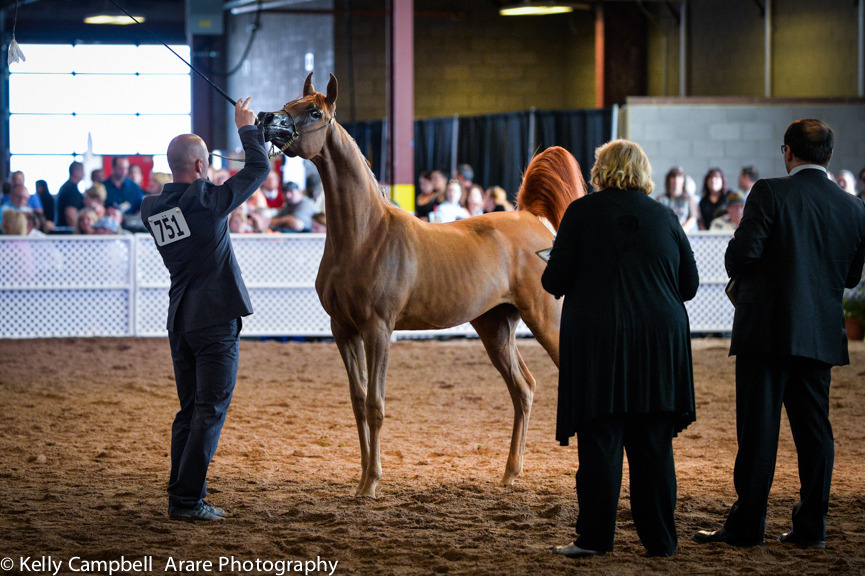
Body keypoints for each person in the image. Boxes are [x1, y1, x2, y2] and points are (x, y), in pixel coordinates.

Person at [693, 119, 865, 549]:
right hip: (820, 334)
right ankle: (812, 526)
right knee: (815, 433)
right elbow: (851, 276)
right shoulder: (855, 207)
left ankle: (748, 524)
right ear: (829, 156)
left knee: (759, 432)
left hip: (766, 332)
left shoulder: (769, 192)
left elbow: (740, 257)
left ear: (788, 152)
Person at [543, 139, 699, 559]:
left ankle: (595, 539)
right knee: (653, 446)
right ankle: (661, 542)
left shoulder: (581, 213)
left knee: (601, 441)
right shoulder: (666, 216)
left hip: (600, 342)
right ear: (643, 172)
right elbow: (689, 286)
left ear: (601, 171)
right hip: (658, 344)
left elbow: (553, 282)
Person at [140, 97, 269, 522]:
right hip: (213, 320)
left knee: (190, 411)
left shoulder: (152, 208)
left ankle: (182, 495)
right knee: (209, 411)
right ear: (199, 167)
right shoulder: (205, 202)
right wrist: (246, 128)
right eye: (207, 165)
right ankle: (187, 500)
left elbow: (193, 195)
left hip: (181, 319)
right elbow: (258, 170)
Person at [656, 166, 698, 232]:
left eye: (679, 177)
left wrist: (680, 233)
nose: (676, 180)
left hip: (685, 235)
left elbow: (693, 219)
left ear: (683, 180)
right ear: (669, 180)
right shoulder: (661, 199)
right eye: (673, 177)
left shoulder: (689, 199)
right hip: (666, 234)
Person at [57, 161, 85, 229]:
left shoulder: (66, 187)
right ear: (75, 172)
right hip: (68, 232)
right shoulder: (72, 190)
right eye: (82, 171)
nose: (84, 174)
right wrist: (77, 231)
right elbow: (70, 214)